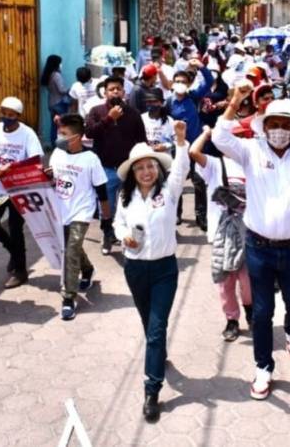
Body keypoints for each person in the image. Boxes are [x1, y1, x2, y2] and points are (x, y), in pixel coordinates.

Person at [212, 97, 290, 401]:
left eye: (285, 125)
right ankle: (263, 366)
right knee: (262, 312)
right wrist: (235, 102)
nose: (279, 130)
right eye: (274, 124)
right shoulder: (250, 151)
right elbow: (219, 137)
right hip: (258, 246)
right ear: (264, 126)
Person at [113, 121, 189, 423]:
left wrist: (181, 140)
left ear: (158, 168)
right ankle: (158, 356)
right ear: (133, 172)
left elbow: (181, 168)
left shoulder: (168, 192)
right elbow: (118, 223)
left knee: (157, 330)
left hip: (164, 270)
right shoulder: (124, 196)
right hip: (134, 269)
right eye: (140, 168)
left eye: (151, 166)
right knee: (149, 324)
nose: (146, 171)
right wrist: (123, 237)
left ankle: (151, 390)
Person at [190, 126, 253, 341]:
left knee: (248, 280)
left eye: (241, 138)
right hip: (222, 232)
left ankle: (251, 311)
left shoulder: (252, 163)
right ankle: (232, 319)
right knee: (225, 281)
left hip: (250, 231)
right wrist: (206, 134)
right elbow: (194, 152)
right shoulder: (216, 164)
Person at [48, 114, 110, 320]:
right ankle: (88, 269)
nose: (59, 137)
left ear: (77, 137)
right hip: (61, 210)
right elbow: (54, 180)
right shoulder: (57, 153)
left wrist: (106, 220)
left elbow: (101, 190)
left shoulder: (90, 159)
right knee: (71, 247)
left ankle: (68, 298)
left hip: (81, 211)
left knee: (72, 248)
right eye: (59, 132)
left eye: (64, 134)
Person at [0, 97, 44, 288]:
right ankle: (14, 253)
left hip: (19, 188)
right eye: (4, 113)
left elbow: (35, 160)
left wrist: (11, 167)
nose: (6, 117)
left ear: (18, 116)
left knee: (16, 229)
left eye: (11, 115)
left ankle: (21, 271)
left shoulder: (27, 134)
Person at [85, 75, 148, 255]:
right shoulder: (96, 111)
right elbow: (89, 133)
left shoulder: (133, 114)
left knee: (131, 204)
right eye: (111, 89)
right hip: (105, 169)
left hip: (128, 169)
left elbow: (142, 141)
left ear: (124, 92)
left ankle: (130, 238)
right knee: (107, 207)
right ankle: (107, 235)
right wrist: (108, 119)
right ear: (104, 93)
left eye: (118, 89)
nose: (115, 92)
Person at [168, 59, 214, 230]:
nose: (180, 84)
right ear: (173, 83)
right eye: (177, 81)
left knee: (199, 183)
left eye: (183, 82)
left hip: (196, 147)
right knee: (177, 181)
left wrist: (201, 66)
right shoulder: (168, 102)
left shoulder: (194, 97)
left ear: (189, 84)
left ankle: (201, 216)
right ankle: (176, 213)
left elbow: (209, 82)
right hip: (178, 148)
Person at [41, 54, 68, 144]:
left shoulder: (48, 74)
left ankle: (53, 144)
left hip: (51, 103)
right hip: (59, 103)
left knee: (54, 125)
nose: (61, 65)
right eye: (60, 63)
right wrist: (70, 89)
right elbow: (62, 90)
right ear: (56, 64)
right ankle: (60, 144)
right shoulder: (57, 75)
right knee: (61, 125)